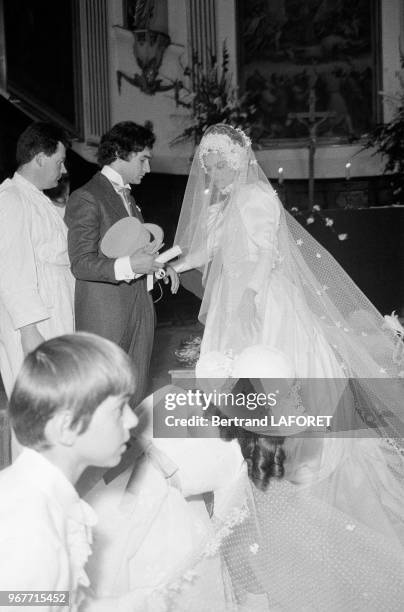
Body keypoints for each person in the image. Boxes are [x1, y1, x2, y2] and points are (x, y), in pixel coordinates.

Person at [196, 346, 404, 611]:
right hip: (268, 533)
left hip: (263, 529)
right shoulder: (276, 435)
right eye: (290, 393)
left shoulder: (242, 431)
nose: (294, 398)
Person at [0, 333, 138, 612]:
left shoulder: (44, 493)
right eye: (119, 409)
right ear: (66, 427)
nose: (133, 419)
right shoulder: (31, 529)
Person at [79, 385, 245, 611]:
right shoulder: (228, 453)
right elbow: (226, 511)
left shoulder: (174, 394)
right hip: (142, 509)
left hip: (119, 490)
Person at [65, 121, 178, 406]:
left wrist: (159, 266)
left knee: (135, 395)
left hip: (139, 307)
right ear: (119, 152)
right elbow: (81, 262)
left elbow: (133, 252)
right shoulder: (87, 197)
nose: (148, 169)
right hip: (106, 316)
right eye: (143, 159)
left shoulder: (127, 196)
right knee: (103, 401)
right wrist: (130, 266)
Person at [0, 121, 74, 397]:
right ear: (41, 159)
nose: (63, 170)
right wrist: (29, 333)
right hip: (36, 326)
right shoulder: (11, 199)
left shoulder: (37, 199)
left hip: (55, 317)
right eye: (60, 162)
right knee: (41, 404)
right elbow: (11, 271)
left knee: (61, 402)